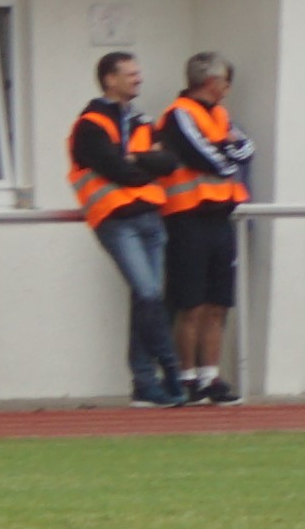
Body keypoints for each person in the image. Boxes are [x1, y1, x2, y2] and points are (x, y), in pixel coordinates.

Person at [62, 50, 178, 408]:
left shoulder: (142, 120)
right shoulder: (89, 125)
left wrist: (137, 159)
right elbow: (117, 170)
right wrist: (144, 165)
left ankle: (145, 383)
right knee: (147, 293)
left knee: (148, 298)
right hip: (116, 219)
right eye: (130, 74)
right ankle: (168, 369)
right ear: (109, 79)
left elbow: (169, 162)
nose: (138, 79)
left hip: (150, 219)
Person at [155, 52, 252, 407]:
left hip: (220, 217)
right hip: (187, 217)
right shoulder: (179, 114)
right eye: (225, 80)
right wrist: (224, 151)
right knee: (190, 304)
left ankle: (210, 376)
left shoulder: (221, 115)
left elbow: (246, 149)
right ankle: (187, 378)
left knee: (218, 303)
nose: (228, 88)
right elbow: (211, 160)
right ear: (211, 81)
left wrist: (224, 150)